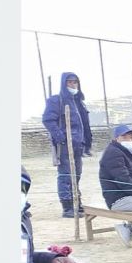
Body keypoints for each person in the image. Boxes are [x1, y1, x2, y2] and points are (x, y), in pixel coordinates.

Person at [42, 72, 91, 216]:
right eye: (69, 82)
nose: (72, 85)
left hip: (78, 145)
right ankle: (68, 207)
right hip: (64, 145)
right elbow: (48, 120)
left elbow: (85, 124)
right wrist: (61, 137)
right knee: (65, 175)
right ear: (64, 84)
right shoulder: (57, 100)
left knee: (77, 175)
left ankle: (77, 202)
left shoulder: (79, 101)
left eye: (75, 82)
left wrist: (87, 142)